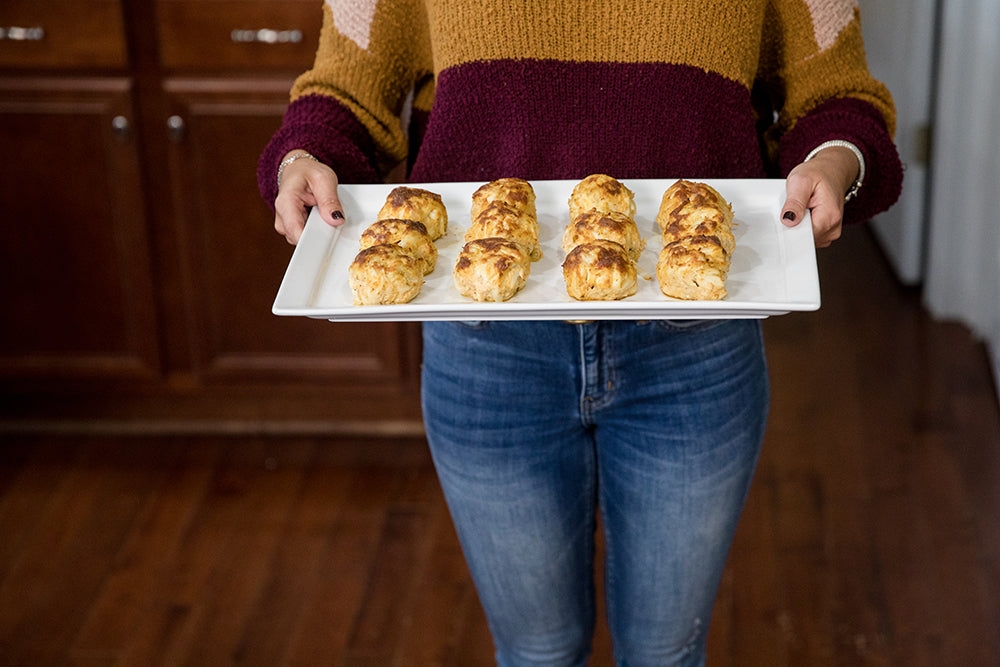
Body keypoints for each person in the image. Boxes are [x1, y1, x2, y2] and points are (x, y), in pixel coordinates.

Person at [259, 2, 902, 665]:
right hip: (487, 354)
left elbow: (837, 94)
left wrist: (837, 159)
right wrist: (305, 156)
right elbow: (343, 90)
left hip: (697, 347)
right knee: (536, 652)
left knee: (667, 652)